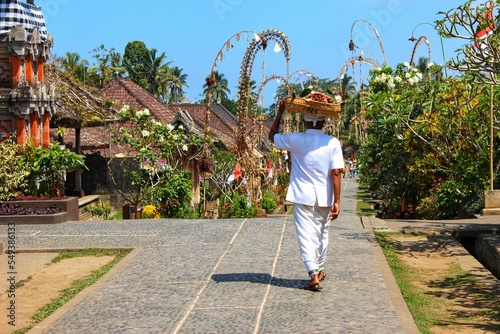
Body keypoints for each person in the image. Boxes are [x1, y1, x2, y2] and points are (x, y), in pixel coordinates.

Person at [268, 100, 343, 291]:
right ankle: (318, 268)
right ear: (324, 122)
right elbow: (336, 172)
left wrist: (280, 113)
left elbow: (272, 136)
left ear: (304, 122)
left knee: (305, 235)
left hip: (302, 195)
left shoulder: (295, 139)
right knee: (321, 233)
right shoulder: (332, 143)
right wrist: (337, 201)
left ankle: (313, 273)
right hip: (325, 197)